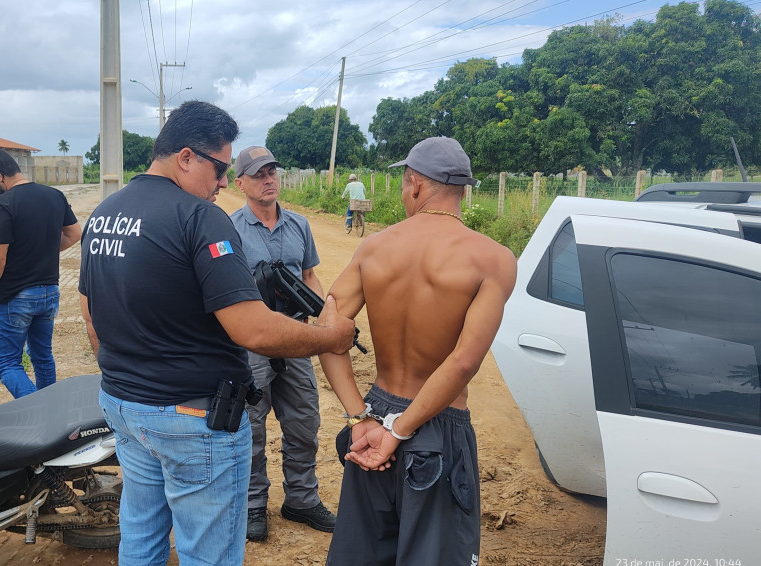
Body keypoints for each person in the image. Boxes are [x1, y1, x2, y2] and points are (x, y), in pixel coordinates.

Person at [78, 101, 356, 566]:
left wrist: (128, 377)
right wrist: (331, 337)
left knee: (141, 537)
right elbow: (253, 329)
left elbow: (89, 310)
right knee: (208, 553)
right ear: (186, 157)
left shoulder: (106, 213)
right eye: (221, 168)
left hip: (125, 407)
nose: (224, 182)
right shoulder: (199, 217)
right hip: (192, 417)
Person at [319, 137, 517, 566]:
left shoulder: (374, 247)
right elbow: (463, 361)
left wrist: (360, 418)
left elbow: (329, 332)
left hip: (373, 419)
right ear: (465, 190)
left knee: (363, 554)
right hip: (435, 424)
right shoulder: (492, 259)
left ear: (413, 184)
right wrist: (401, 431)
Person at [229, 145, 336, 541]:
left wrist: (319, 313)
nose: (268, 179)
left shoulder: (299, 225)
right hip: (252, 343)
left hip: (295, 338)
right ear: (240, 183)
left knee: (304, 421)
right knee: (252, 427)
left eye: (272, 171)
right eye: (258, 174)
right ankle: (254, 504)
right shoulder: (230, 228)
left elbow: (309, 275)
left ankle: (302, 501)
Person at [0, 149, 82, 398]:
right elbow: (74, 234)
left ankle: (38, 414)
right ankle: (52, 415)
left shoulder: (2, 204)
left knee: (5, 362)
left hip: (16, 297)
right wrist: (41, 250)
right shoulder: (54, 195)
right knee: (42, 357)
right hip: (49, 293)